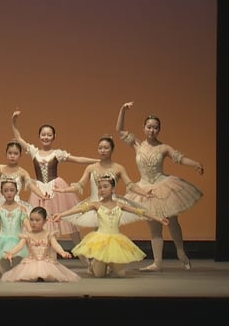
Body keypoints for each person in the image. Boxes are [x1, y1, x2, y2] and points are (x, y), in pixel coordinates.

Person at [116, 101, 204, 272]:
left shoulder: (164, 148)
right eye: (149, 127)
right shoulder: (137, 144)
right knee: (154, 226)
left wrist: (195, 164)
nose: (152, 130)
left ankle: (180, 252)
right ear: (143, 128)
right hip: (145, 188)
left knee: (172, 221)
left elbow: (180, 158)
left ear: (159, 130)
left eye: (155, 128)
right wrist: (123, 110)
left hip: (162, 185)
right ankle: (157, 263)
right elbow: (119, 130)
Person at [11, 108, 97, 262]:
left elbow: (77, 159)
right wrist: (14, 121)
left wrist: (97, 161)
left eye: (49, 135)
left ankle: (86, 262)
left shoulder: (57, 153)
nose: (46, 137)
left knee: (72, 228)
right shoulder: (34, 152)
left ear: (54, 136)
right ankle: (47, 260)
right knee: (42, 227)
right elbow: (18, 138)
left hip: (56, 190)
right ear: (39, 136)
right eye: (43, 134)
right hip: (39, 191)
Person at [51, 174, 170, 278]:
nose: (102, 190)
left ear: (113, 189)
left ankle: (110, 265)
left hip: (116, 240)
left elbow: (139, 211)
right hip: (100, 240)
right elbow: (78, 209)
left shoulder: (120, 205)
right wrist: (61, 214)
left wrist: (158, 218)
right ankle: (94, 265)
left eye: (105, 187)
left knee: (120, 274)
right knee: (99, 274)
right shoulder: (96, 205)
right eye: (100, 187)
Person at [53, 135, 151, 228]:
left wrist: (145, 194)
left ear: (112, 150)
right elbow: (79, 185)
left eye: (106, 148)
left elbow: (130, 185)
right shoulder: (91, 168)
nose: (102, 150)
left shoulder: (118, 168)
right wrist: (64, 190)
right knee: (98, 233)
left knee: (110, 229)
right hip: (94, 205)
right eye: (100, 148)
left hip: (112, 205)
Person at [0, 206, 81, 282]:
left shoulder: (48, 234)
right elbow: (19, 246)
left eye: (37, 220)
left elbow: (55, 245)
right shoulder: (27, 235)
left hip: (46, 262)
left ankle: (42, 276)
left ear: (45, 221)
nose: (33, 223)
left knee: (47, 274)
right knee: (30, 274)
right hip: (31, 262)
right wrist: (11, 253)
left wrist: (62, 252)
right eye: (31, 220)